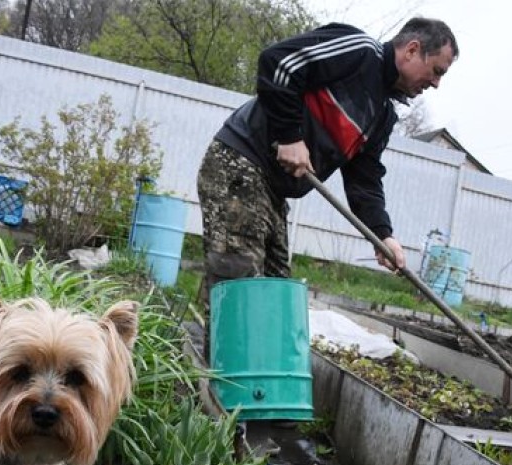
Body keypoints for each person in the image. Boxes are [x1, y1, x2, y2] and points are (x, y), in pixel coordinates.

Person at [196, 17, 458, 355]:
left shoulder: (382, 115)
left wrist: (382, 233)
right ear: (412, 50)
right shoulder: (358, 53)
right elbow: (279, 62)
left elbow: (365, 179)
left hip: (272, 191)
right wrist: (289, 136)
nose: (435, 84)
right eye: (437, 71)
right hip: (241, 163)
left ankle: (246, 378)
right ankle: (217, 386)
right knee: (239, 282)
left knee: (276, 291)